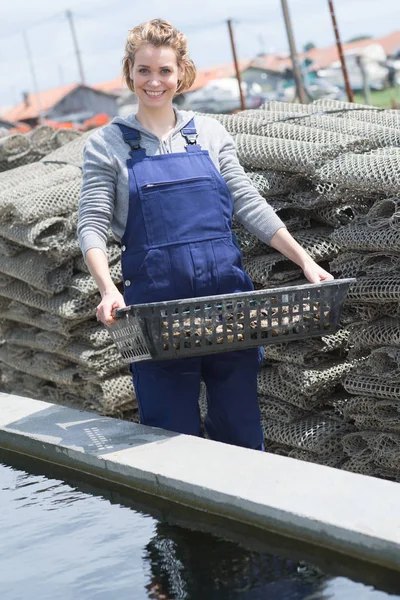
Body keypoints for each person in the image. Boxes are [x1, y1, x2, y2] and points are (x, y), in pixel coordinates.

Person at [78, 18, 333, 451]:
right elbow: (92, 223)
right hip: (156, 319)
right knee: (169, 443)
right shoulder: (108, 144)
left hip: (228, 311)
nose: (154, 81)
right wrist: (107, 289)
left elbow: (250, 205)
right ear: (130, 73)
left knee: (241, 437)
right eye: (144, 70)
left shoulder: (210, 134)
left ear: (182, 74)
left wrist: (306, 262)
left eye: (164, 71)